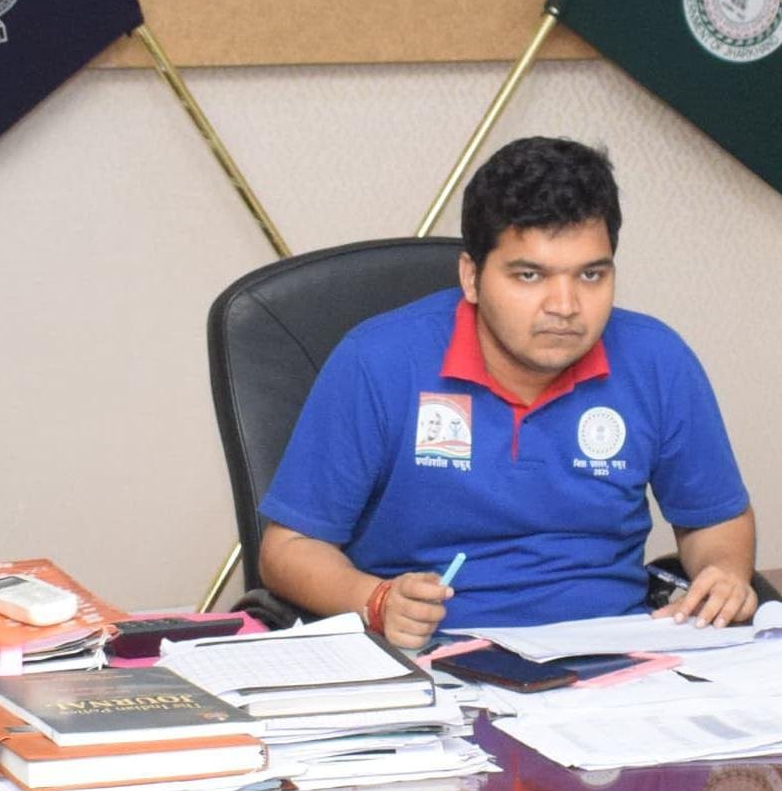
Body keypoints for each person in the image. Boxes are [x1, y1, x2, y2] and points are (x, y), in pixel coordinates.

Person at [258, 137, 756, 648]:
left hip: (616, 655)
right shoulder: (378, 361)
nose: (565, 306)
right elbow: (288, 548)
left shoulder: (657, 360)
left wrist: (722, 573)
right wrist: (375, 600)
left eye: (590, 275)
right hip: (434, 655)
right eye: (529, 275)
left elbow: (715, 521)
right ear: (472, 277)